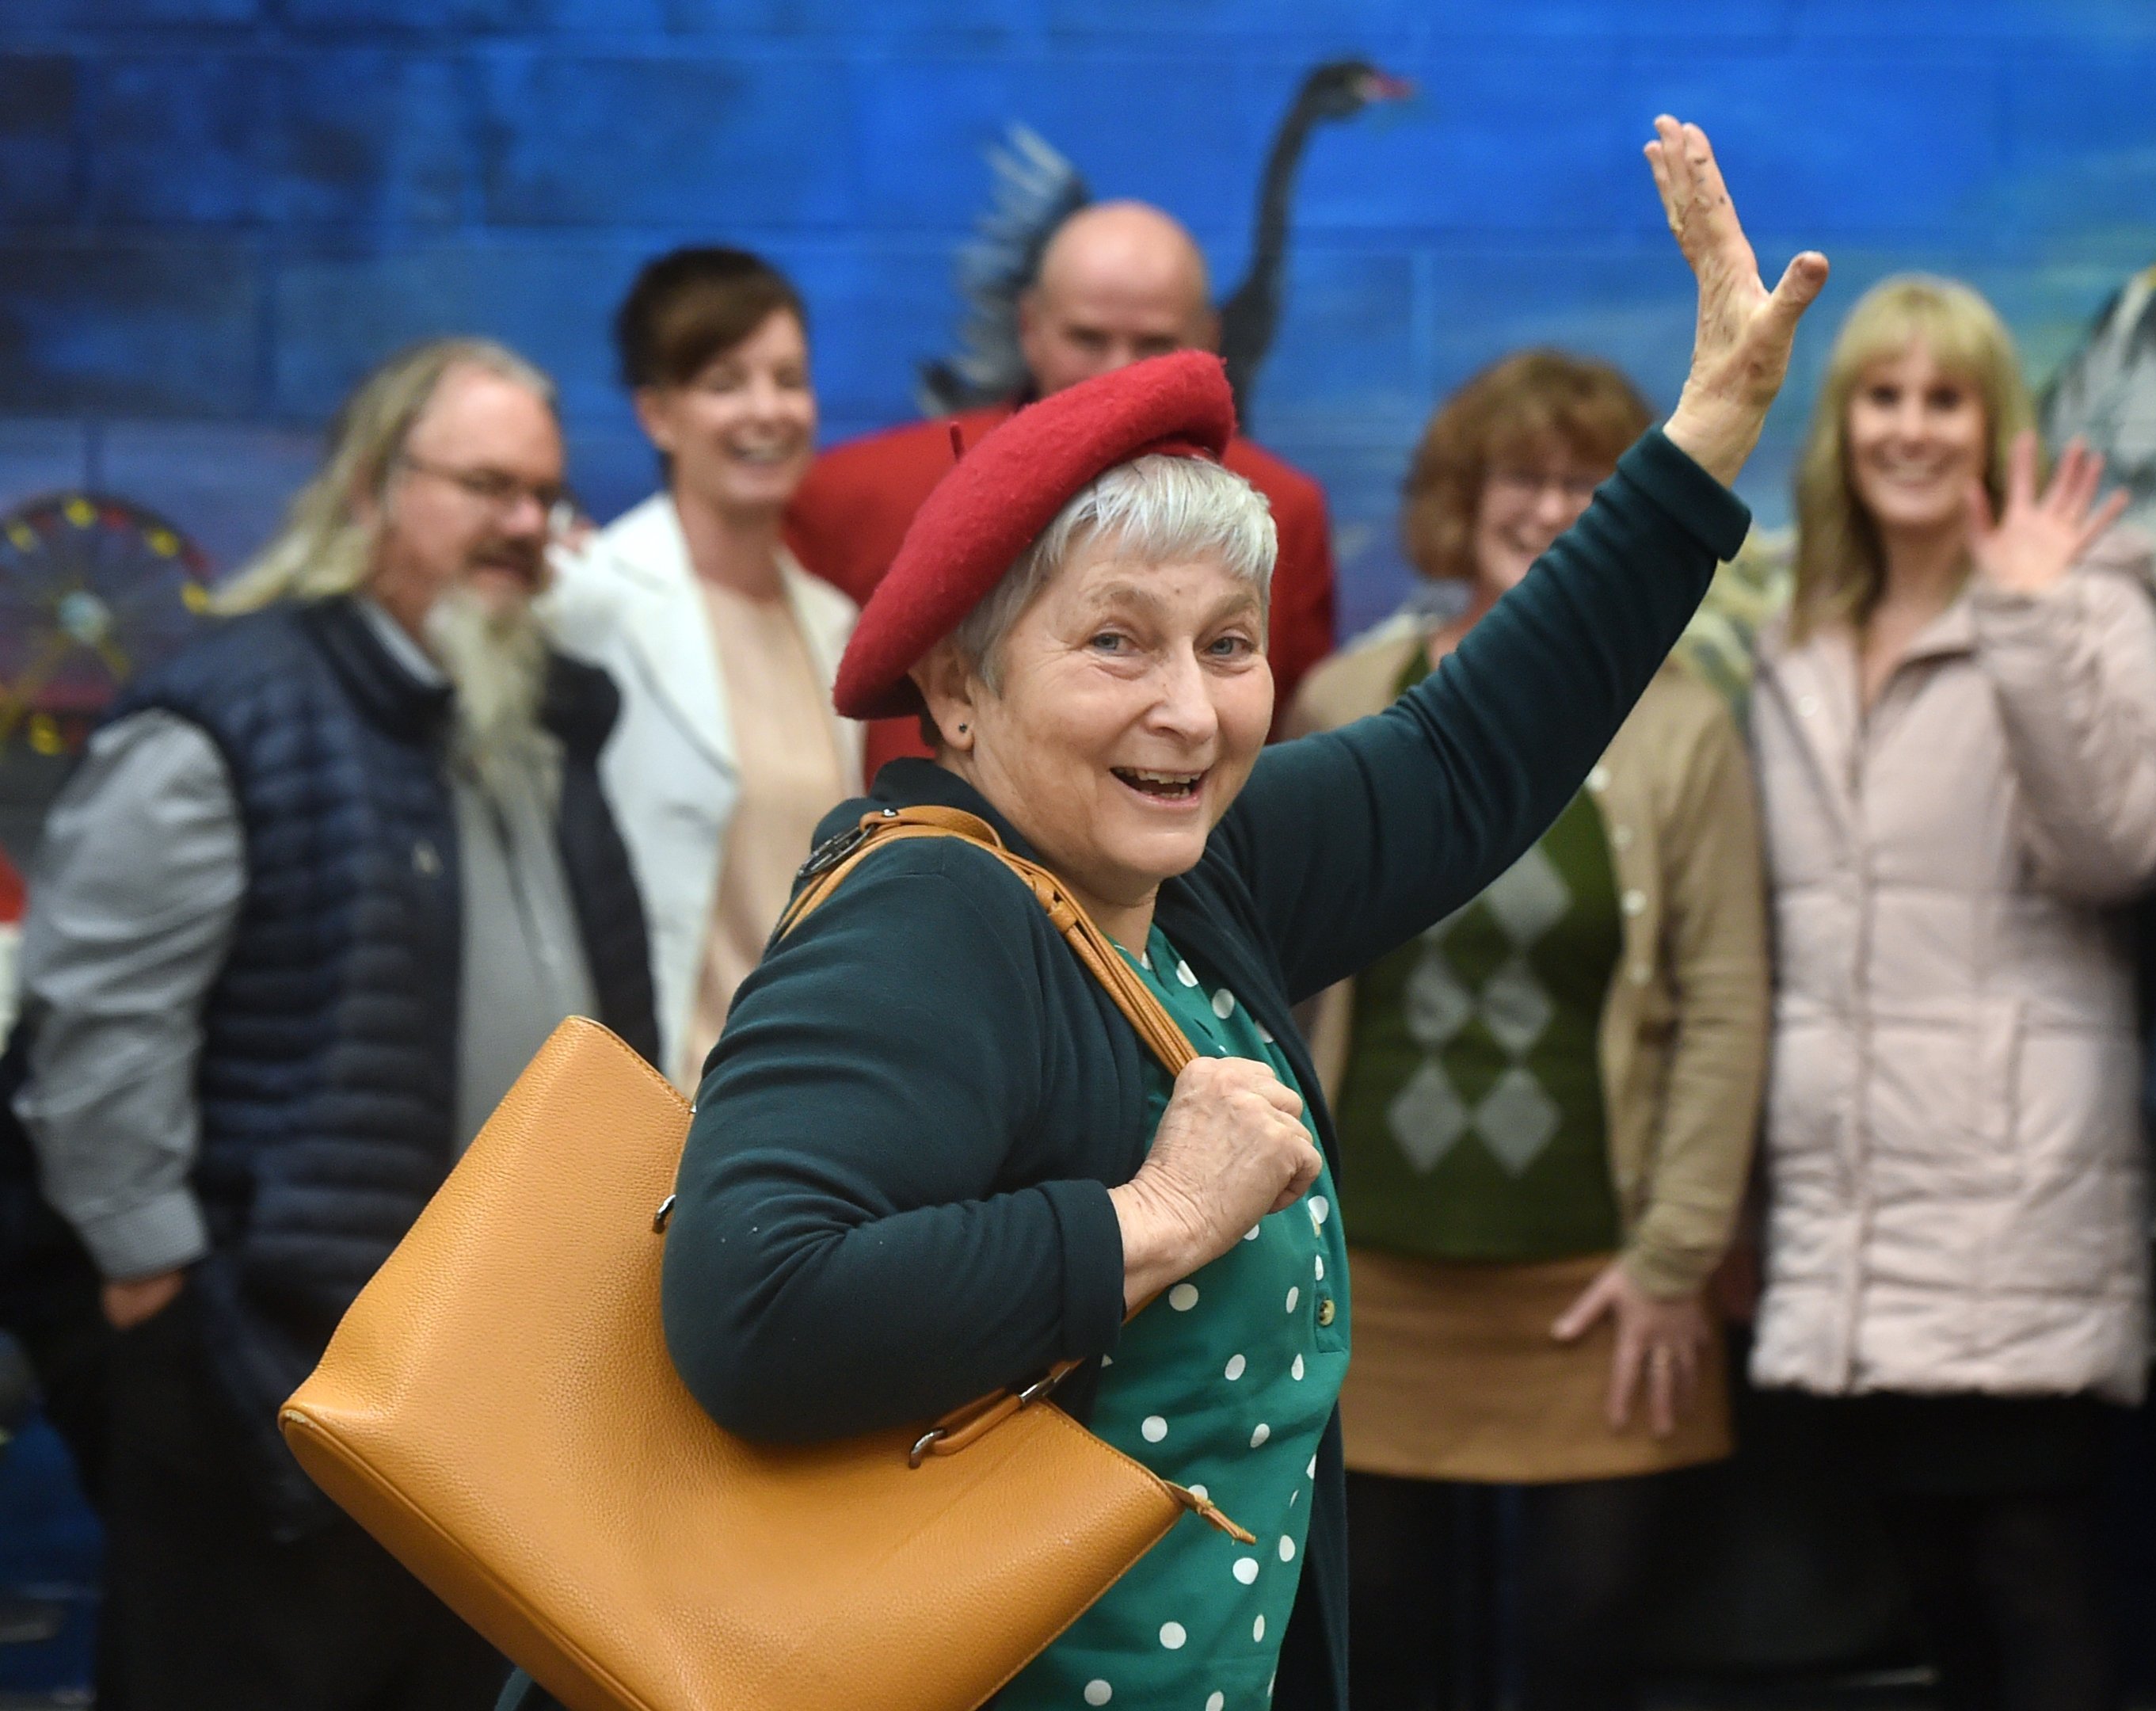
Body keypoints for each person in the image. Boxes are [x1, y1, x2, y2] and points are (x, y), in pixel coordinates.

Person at [499, 116, 1826, 1711]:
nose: (1191, 713)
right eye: (1115, 643)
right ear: (961, 689)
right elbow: (753, 1309)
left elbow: (1475, 753)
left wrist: (1703, 442)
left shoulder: (1192, 876)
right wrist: (1155, 1220)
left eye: (1230, 643)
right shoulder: (931, 911)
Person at [13, 337, 658, 1709]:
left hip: (479, 1413)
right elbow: (90, 1039)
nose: (524, 527)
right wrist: (158, 1291)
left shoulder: (537, 716)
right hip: (262, 1390)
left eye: (543, 493)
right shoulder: (231, 716)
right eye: (485, 485)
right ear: (370, 488)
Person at [1286, 349, 1767, 1711]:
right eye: (1521, 477)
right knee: (1376, 1638)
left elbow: (1728, 1001)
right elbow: (1258, 985)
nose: (1551, 508)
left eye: (1586, 483)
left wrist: (1676, 1255)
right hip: (1363, 1288)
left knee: (1589, 1634)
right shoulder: (1342, 701)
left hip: (1599, 1293)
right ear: (1460, 498)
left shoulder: (1683, 730)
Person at [1749, 276, 2156, 1710]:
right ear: (1841, 425)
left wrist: (2020, 619)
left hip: (2013, 1211)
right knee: (1935, 1611)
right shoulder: (1795, 639)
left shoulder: (2081, 604)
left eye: (1944, 399)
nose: (1911, 429)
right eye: (1883, 396)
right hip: (1857, 1225)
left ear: (1992, 423)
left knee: (2034, 1598)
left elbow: (2119, 847)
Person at [783, 199, 1339, 763]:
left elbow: (1276, 755)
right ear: (1030, 328)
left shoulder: (1282, 512)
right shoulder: (861, 497)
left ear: (1208, 338)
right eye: (1088, 338)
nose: (1118, 372)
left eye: (1153, 344)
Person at [543, 247, 862, 1089]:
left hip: (802, 1104)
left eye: (788, 378)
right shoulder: (587, 602)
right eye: (725, 381)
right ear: (657, 414)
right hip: (651, 1106)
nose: (768, 410)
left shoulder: (834, 625)